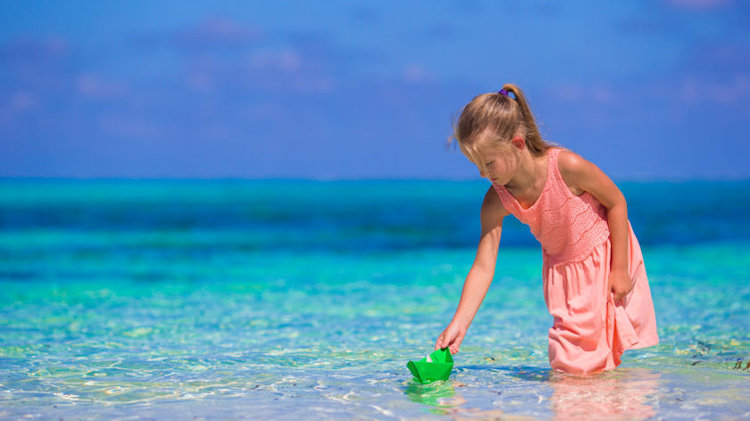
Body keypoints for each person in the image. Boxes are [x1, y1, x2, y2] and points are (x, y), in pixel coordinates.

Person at [434, 83, 659, 374]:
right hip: (563, 276)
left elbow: (616, 202)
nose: (482, 173)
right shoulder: (496, 200)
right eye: (476, 164)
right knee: (574, 365)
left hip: (604, 258)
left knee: (579, 367)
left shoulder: (566, 166)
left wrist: (619, 269)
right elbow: (483, 267)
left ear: (517, 143)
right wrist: (459, 324)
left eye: (488, 162)